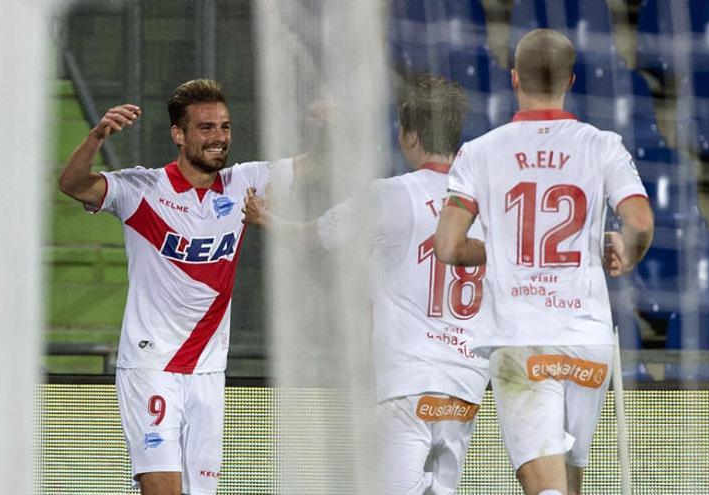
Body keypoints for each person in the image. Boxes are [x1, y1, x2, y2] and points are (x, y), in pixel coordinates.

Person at [244, 73, 490, 494]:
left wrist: (266, 219)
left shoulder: (392, 196)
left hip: (410, 382)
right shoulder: (485, 202)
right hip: (465, 382)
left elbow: (316, 236)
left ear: (408, 136)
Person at [433, 29, 654, 495]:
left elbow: (449, 246)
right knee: (569, 483)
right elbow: (640, 221)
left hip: (523, 340)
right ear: (570, 80)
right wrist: (626, 251)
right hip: (587, 343)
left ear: (514, 78)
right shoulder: (602, 145)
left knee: (546, 488)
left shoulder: (480, 152)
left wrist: (506, 250)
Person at [58, 79, 296, 495]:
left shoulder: (246, 183)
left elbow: (320, 164)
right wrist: (97, 137)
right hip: (151, 366)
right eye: (206, 128)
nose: (219, 137)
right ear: (179, 135)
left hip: (208, 371)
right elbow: (73, 184)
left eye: (224, 126)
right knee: (162, 487)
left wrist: (329, 123)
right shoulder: (142, 189)